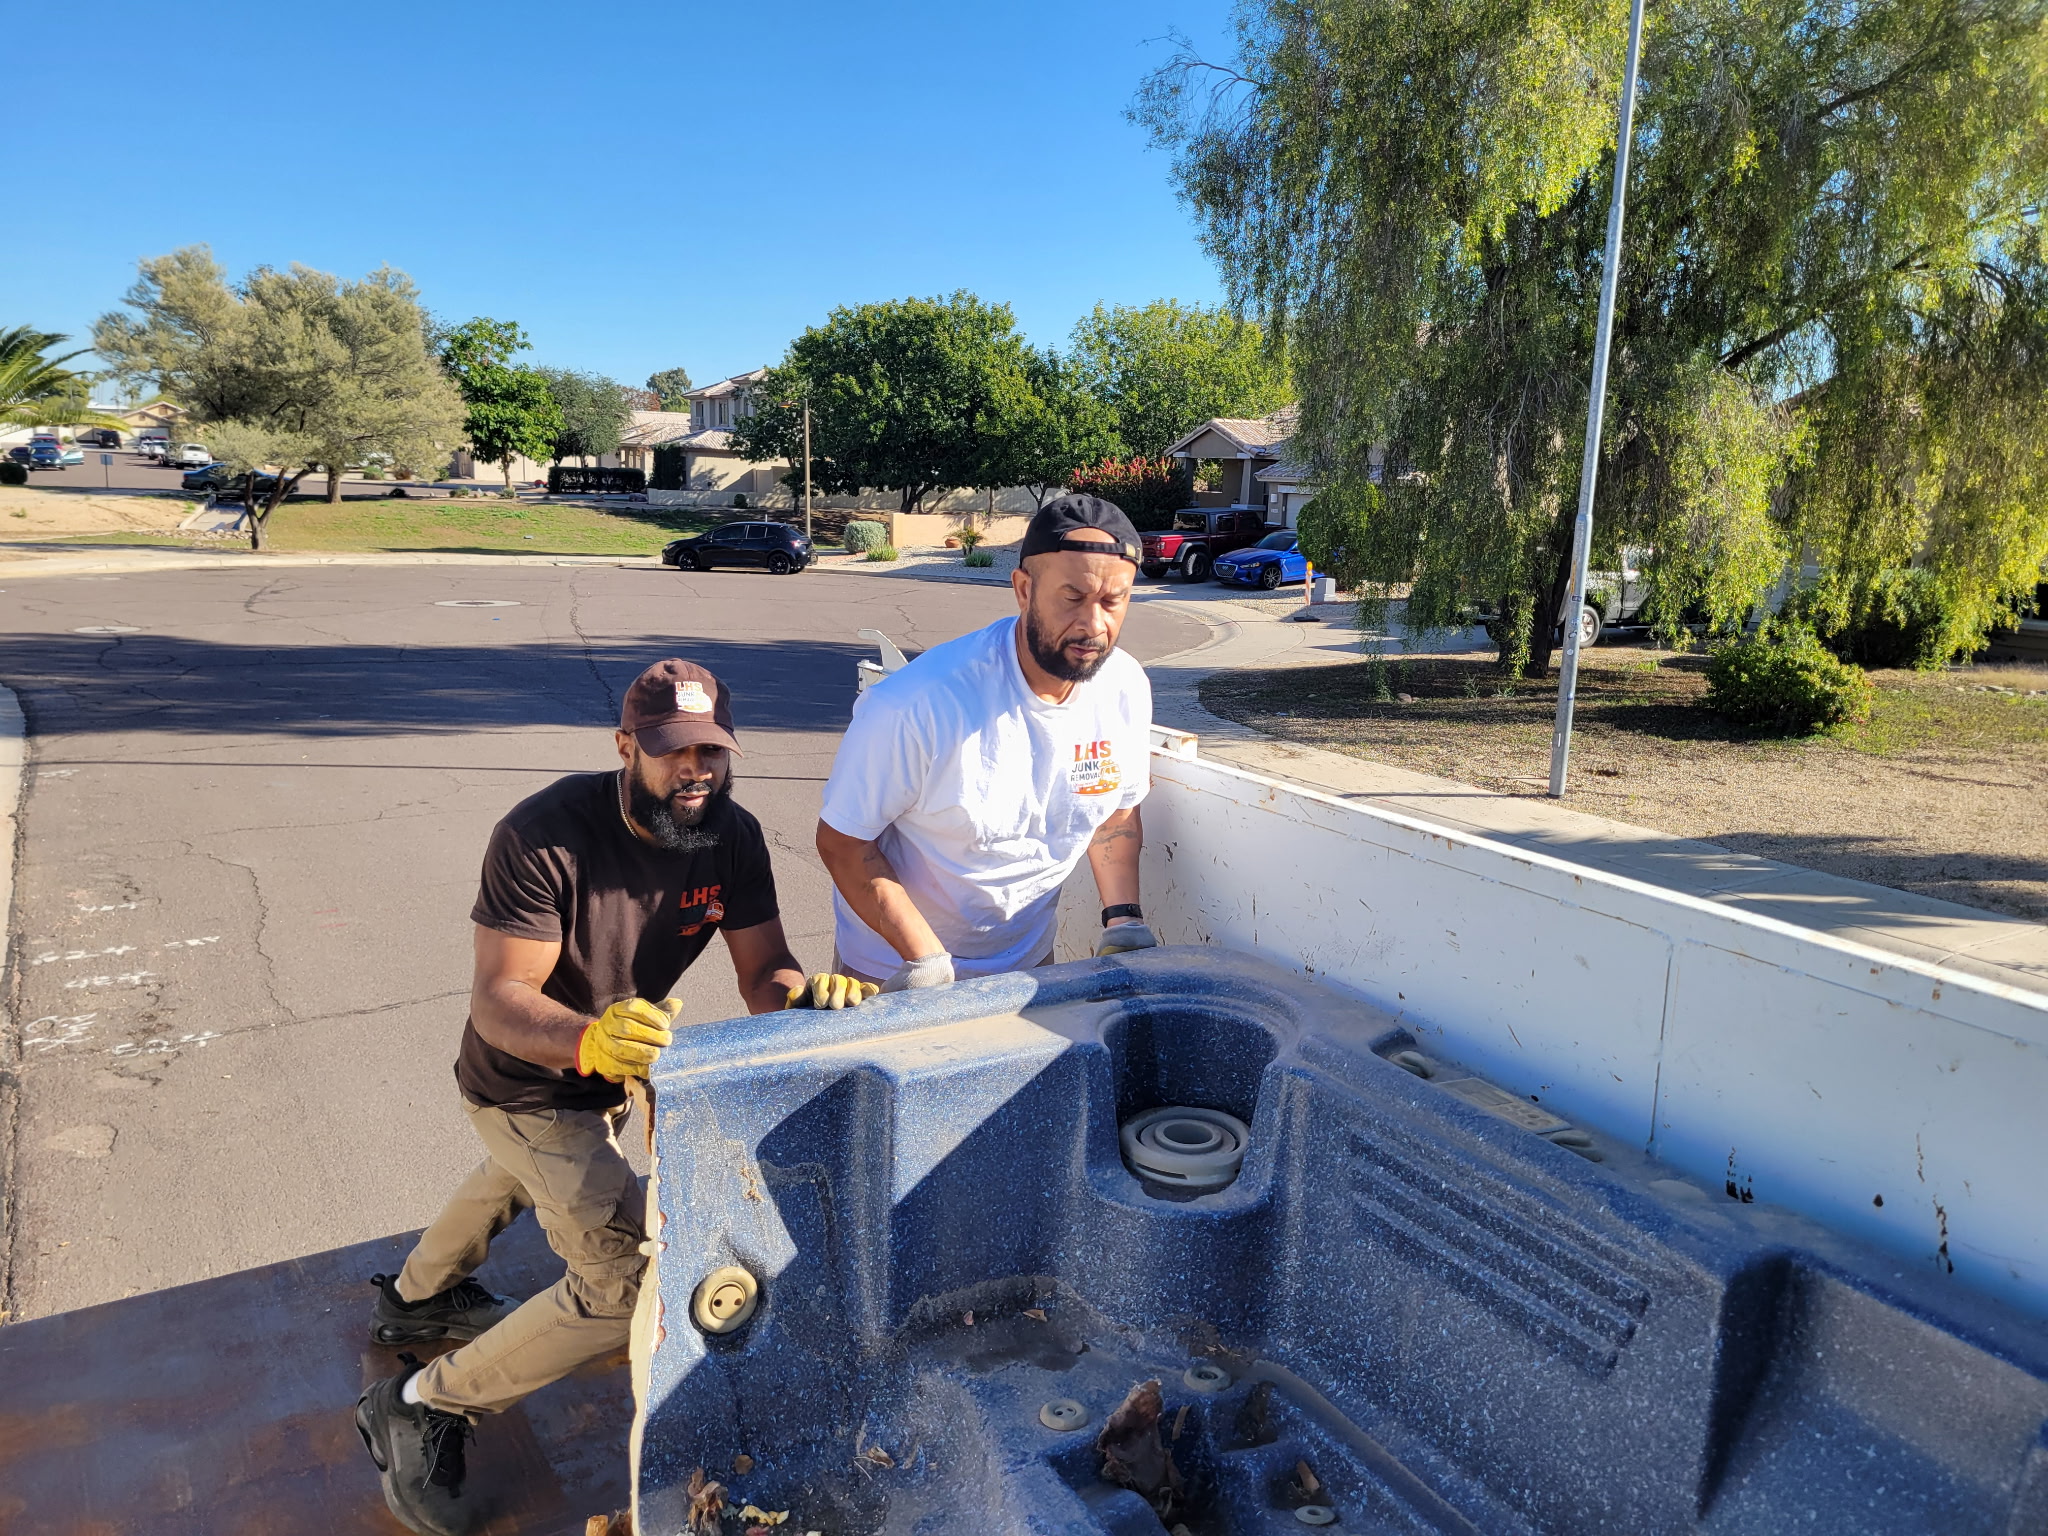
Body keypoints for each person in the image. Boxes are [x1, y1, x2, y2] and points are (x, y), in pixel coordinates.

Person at [353, 658, 869, 1536]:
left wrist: (808, 994)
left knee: (525, 1174)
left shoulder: (732, 837)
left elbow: (762, 974)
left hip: (615, 1071)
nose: (694, 769)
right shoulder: (544, 834)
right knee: (625, 1284)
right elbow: (500, 997)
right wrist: (587, 1040)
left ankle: (416, 1299)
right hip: (523, 1079)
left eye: (710, 748)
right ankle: (423, 1404)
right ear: (627, 745)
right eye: (672, 751)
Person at [814, 494, 1162, 996]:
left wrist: (1123, 920)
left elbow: (1114, 817)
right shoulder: (917, 704)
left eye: (1113, 601)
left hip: (1028, 966)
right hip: (892, 972)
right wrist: (925, 958)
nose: (1094, 625)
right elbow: (843, 842)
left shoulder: (1125, 687)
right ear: (1023, 590)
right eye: (1072, 598)